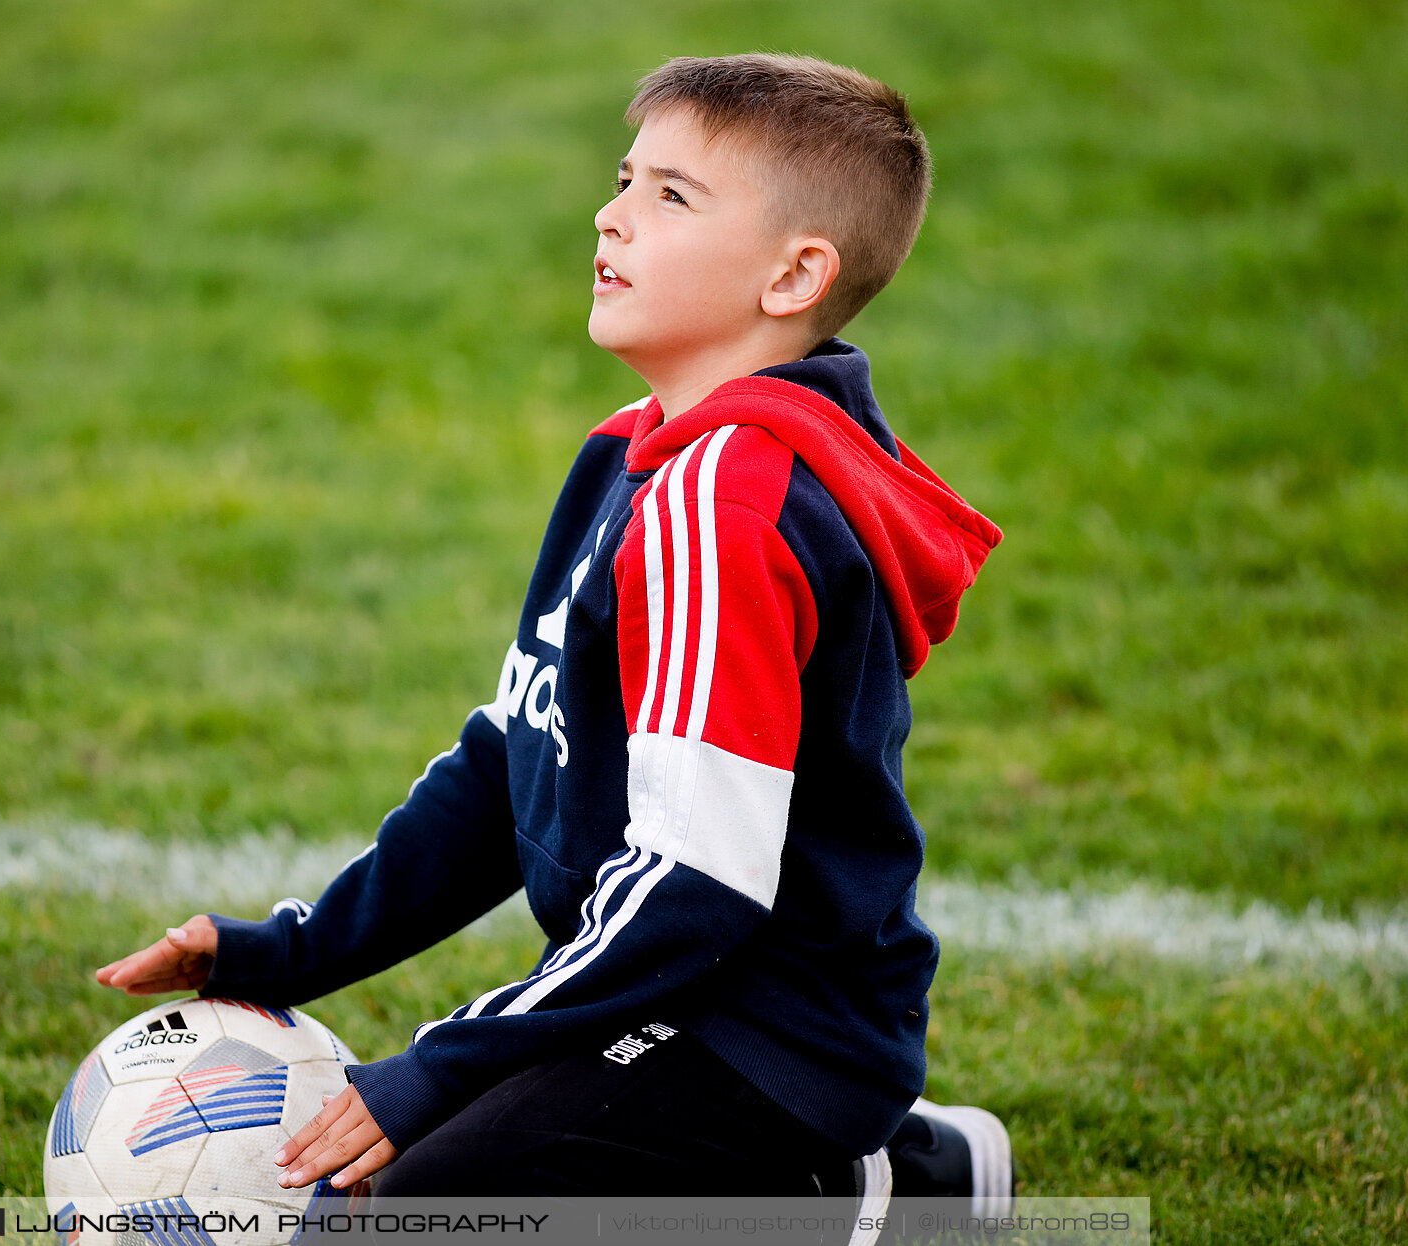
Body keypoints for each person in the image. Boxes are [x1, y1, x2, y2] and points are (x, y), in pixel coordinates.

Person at [97, 52, 1011, 1207]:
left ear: (794, 275)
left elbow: (693, 886)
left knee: (413, 1216)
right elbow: (510, 763)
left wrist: (437, 1069)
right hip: (670, 995)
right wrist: (287, 951)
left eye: (669, 196)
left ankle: (854, 1199)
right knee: (398, 1195)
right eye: (625, 178)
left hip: (770, 1036)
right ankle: (912, 1172)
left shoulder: (723, 510)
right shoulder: (632, 454)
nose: (610, 213)